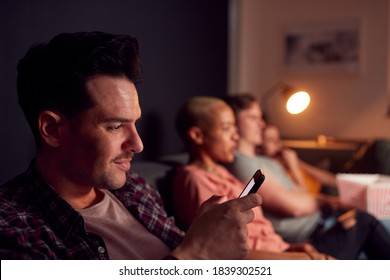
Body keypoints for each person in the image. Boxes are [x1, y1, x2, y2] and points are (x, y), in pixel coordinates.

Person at [0, 31, 263, 260]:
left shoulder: (136, 190)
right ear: (53, 130)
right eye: (115, 126)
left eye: (135, 123)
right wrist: (196, 254)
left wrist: (201, 236)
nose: (137, 144)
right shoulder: (14, 230)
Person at [224, 93, 390, 259]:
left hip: (325, 221)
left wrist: (295, 167)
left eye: (261, 117)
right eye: (253, 118)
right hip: (312, 236)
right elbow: (294, 207)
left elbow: (302, 191)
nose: (261, 124)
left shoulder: (267, 161)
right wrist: (331, 202)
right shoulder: (241, 163)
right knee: (367, 220)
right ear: (234, 123)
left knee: (381, 218)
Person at [172, 96, 334, 260]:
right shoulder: (194, 179)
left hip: (277, 251)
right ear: (197, 135)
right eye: (227, 128)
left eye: (235, 128)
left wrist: (292, 249)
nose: (235, 136)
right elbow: (223, 250)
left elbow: (261, 233)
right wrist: (303, 261)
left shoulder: (221, 172)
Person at [260, 122, 337, 194]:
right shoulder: (269, 171)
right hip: (316, 199)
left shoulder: (288, 159)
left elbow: (332, 180)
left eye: (278, 138)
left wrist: (296, 163)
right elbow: (304, 195)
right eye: (270, 139)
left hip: (324, 189)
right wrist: (293, 166)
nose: (277, 142)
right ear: (260, 145)